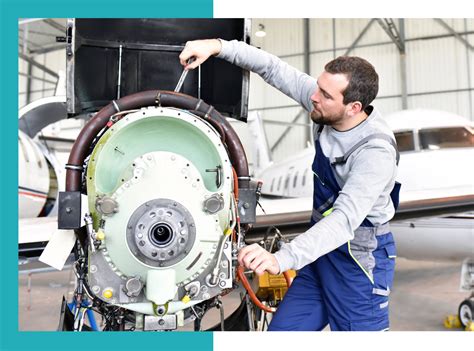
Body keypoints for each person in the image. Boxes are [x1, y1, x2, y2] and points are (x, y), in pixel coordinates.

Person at [179, 39, 401, 331]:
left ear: (353, 107)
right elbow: (271, 67)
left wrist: (281, 258)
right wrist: (217, 46)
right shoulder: (324, 105)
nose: (313, 96)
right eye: (317, 87)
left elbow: (344, 220)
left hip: (359, 262)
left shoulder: (375, 151)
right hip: (320, 253)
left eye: (325, 94)